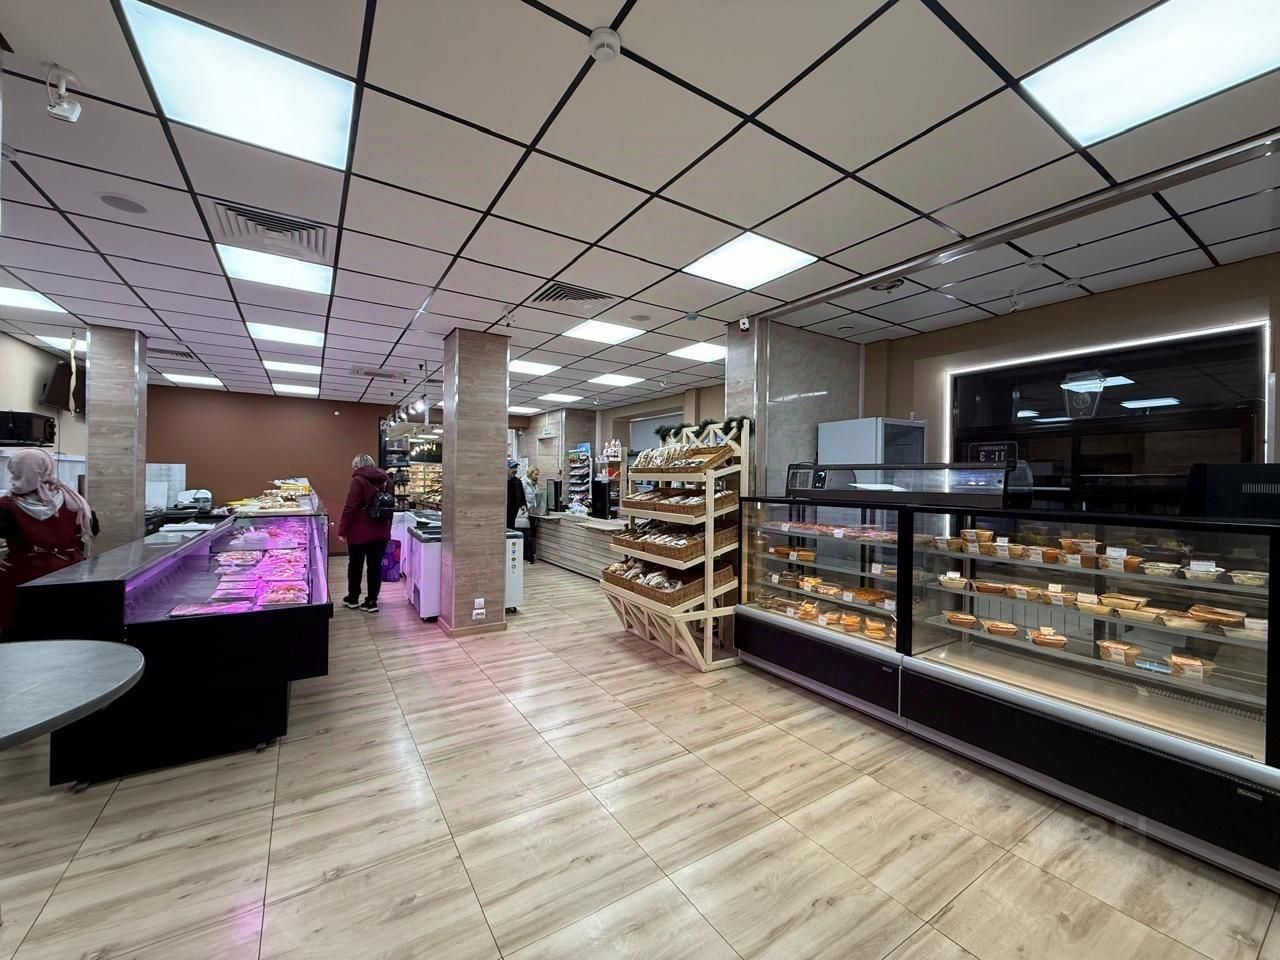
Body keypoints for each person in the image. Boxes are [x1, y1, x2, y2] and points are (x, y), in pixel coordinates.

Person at [0, 449, 98, 635]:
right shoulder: (74, 501)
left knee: (25, 634)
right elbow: (93, 530)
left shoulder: (6, 506)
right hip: (71, 573)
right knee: (67, 630)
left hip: (23, 578)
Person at [338, 454, 392, 613]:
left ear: (357, 466)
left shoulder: (358, 480)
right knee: (375, 567)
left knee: (355, 566)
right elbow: (390, 508)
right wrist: (388, 529)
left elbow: (350, 507)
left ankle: (353, 598)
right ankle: (372, 601)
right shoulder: (387, 480)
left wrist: (342, 531)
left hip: (359, 533)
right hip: (381, 532)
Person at [519, 466, 542, 563]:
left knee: (531, 535)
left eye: (538, 475)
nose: (537, 476)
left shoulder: (534, 485)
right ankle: (527, 556)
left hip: (532, 513)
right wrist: (527, 507)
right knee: (527, 535)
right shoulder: (524, 483)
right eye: (535, 474)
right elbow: (521, 497)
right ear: (530, 473)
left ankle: (529, 555)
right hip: (524, 513)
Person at [506, 458, 527, 540]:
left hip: (513, 512)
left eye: (516, 467)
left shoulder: (518, 481)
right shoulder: (502, 482)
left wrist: (523, 505)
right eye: (512, 468)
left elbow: (522, 496)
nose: (514, 470)